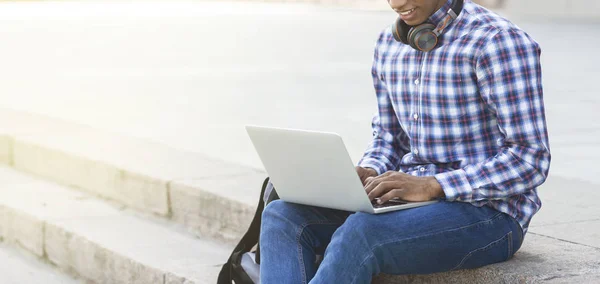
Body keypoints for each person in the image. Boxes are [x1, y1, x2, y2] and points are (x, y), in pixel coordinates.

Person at [259, 0, 551, 283]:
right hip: (408, 203)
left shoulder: (498, 42)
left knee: (362, 233)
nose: (397, 3)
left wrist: (432, 185)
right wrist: (370, 170)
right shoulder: (389, 43)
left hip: (488, 215)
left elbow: (530, 158)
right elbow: (389, 137)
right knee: (282, 215)